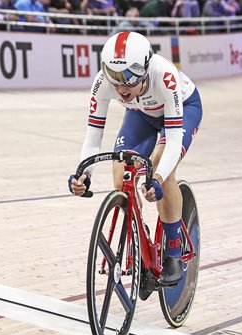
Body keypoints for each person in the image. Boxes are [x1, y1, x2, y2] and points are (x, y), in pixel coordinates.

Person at [68, 31, 203, 286]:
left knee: (162, 172)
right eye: (115, 79)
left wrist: (158, 177)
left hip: (182, 110)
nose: (120, 88)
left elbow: (173, 140)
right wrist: (84, 173)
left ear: (145, 68)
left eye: (129, 79)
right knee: (120, 179)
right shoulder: (102, 83)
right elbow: (93, 137)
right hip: (141, 113)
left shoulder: (164, 75)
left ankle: (173, 252)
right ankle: (141, 239)